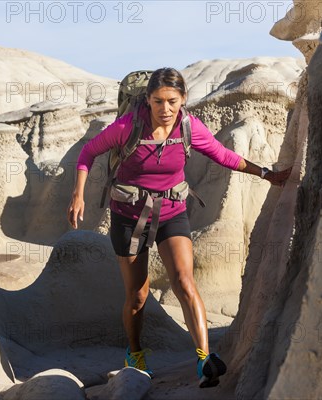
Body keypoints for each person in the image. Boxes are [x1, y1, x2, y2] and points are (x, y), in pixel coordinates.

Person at [67, 67, 291, 387]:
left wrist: (268, 174)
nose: (165, 109)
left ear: (183, 99)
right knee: (138, 295)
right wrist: (78, 194)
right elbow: (89, 152)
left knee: (185, 281)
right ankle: (135, 356)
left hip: (172, 212)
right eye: (158, 101)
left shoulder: (189, 127)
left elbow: (223, 155)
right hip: (129, 217)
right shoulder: (128, 126)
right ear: (148, 100)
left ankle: (204, 359)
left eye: (172, 101)